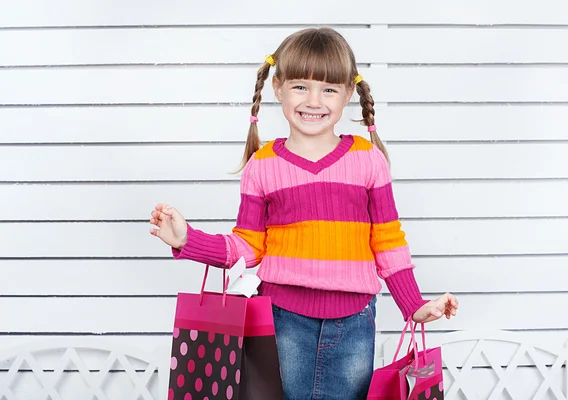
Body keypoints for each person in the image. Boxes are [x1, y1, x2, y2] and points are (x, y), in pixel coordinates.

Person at [150, 27, 458, 400]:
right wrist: (187, 240)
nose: (314, 100)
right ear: (278, 87)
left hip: (355, 321)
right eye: (300, 86)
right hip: (283, 319)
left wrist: (415, 305)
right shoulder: (262, 166)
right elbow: (249, 246)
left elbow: (388, 242)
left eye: (328, 89)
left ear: (347, 94)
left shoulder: (368, 160)